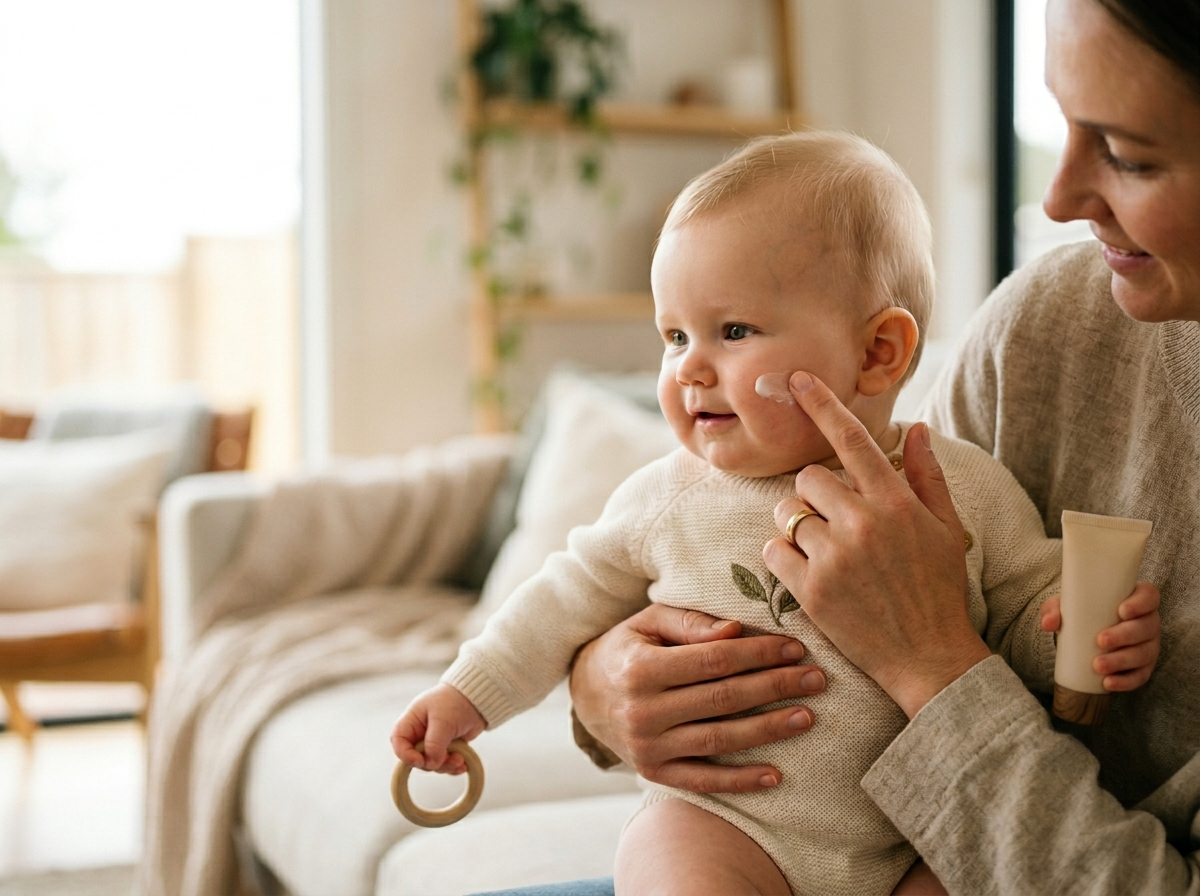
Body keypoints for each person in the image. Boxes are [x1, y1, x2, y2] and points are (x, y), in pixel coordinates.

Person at [392, 131, 1159, 895]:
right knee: (671, 854)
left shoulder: (961, 490)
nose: (689, 366)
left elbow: (1025, 606)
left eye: (733, 332)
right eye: (673, 336)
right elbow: (559, 602)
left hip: (919, 835)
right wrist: (467, 697)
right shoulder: (666, 495)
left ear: (878, 354)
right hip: (727, 827)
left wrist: (1079, 631)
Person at [556, 0, 1200, 893]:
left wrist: (932, 662)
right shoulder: (1052, 325)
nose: (1055, 199)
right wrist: (607, 685)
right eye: (1064, 124)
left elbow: (958, 618)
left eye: (1130, 154)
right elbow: (940, 567)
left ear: (880, 350)